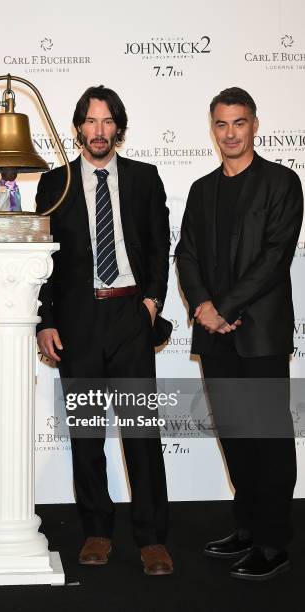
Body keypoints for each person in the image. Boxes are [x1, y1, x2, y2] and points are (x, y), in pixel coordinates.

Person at [36, 86, 172, 575]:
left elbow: (160, 247)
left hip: (130, 317)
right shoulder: (56, 184)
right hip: (79, 323)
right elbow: (45, 263)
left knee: (141, 434)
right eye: (90, 121)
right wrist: (46, 320)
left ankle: (152, 538)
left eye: (107, 121)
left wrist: (152, 304)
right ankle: (96, 529)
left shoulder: (143, 178)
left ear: (119, 127)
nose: (98, 131)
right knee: (86, 435)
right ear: (78, 128)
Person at [175, 87, 303, 580]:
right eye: (222, 124)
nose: (231, 133)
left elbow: (274, 258)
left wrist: (223, 306)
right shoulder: (203, 189)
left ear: (255, 125)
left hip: (261, 335)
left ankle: (274, 542)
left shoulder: (281, 183)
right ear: (214, 129)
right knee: (233, 434)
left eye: (240, 123)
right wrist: (205, 309)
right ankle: (248, 526)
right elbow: (185, 254)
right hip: (216, 335)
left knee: (267, 437)